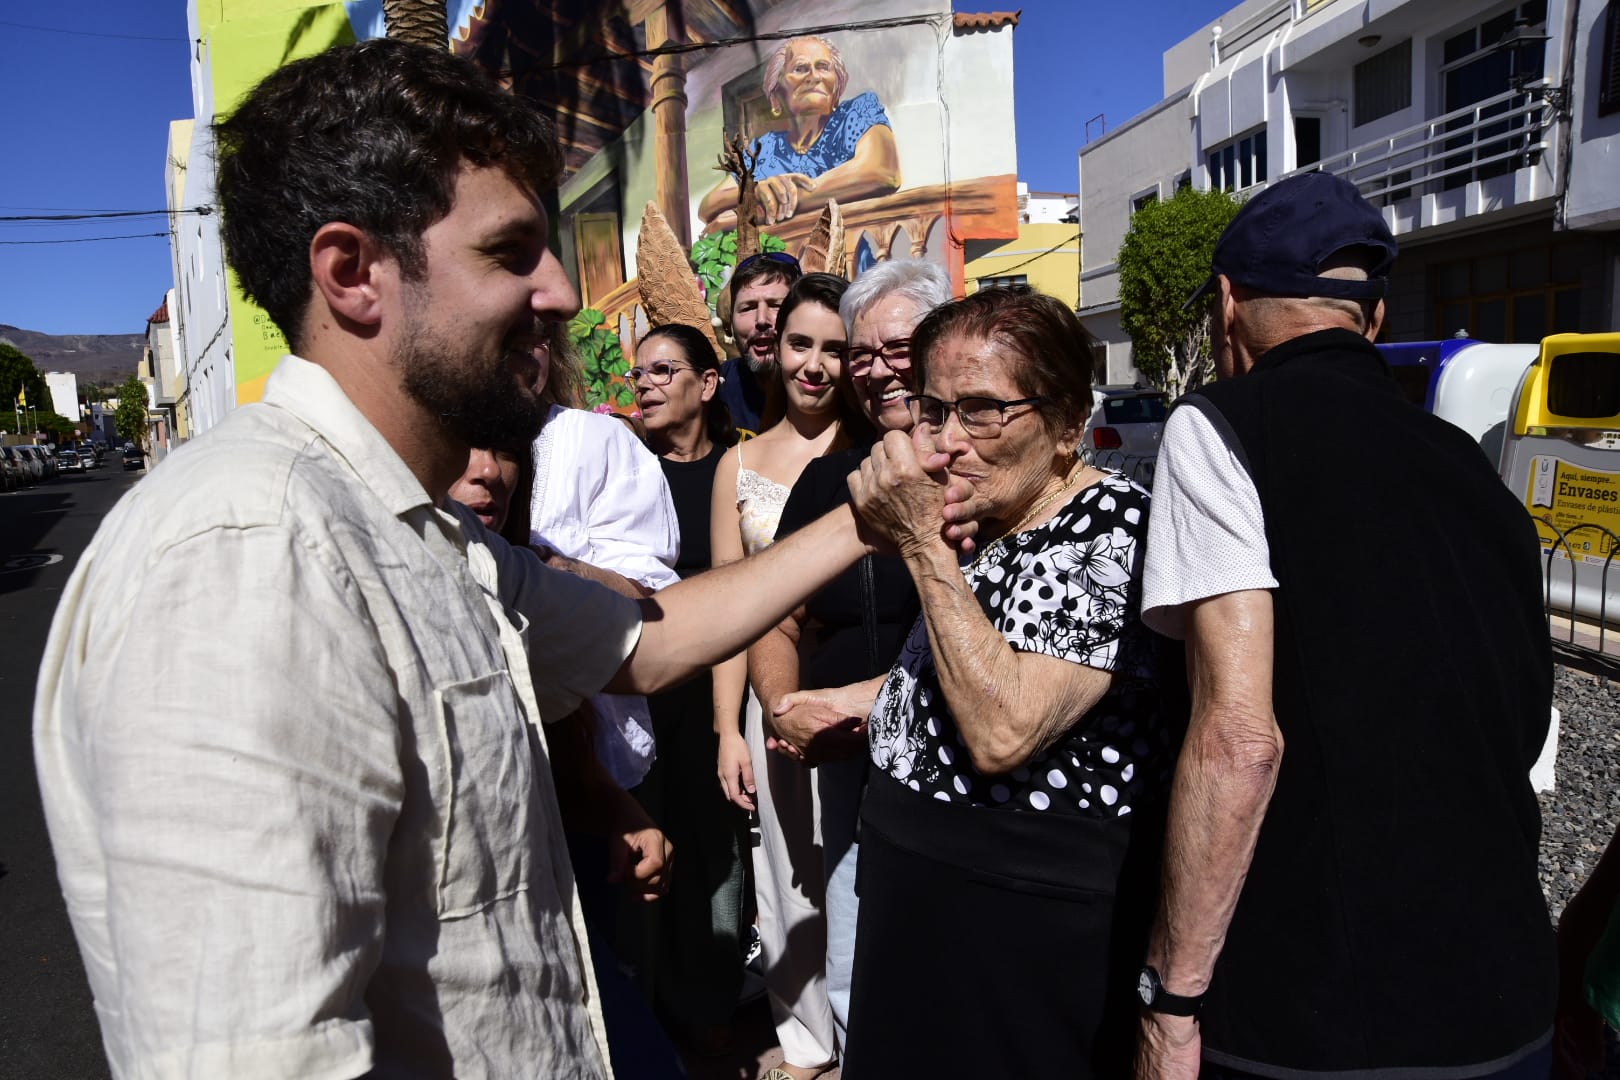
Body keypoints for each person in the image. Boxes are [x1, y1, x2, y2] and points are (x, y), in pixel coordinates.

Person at [32, 40, 979, 1079]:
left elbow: (651, 641)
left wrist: (868, 516)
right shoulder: (248, 558)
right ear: (354, 275)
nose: (565, 292)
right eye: (510, 251)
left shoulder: (417, 533)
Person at [1134, 171, 1555, 1080]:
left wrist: (1172, 1003)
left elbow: (1238, 741)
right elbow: (1522, 723)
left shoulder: (1220, 430)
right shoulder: (1472, 468)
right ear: (1373, 317)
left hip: (1310, 1019)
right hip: (1506, 1000)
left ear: (1228, 304)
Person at [805, 285, 1176, 1078]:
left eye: (981, 412)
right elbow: (972, 665)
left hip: (1016, 923)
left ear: (1070, 422)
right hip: (923, 892)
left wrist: (920, 546)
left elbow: (1005, 728)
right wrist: (858, 702)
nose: (945, 442)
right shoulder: (993, 521)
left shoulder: (1108, 530)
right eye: (932, 410)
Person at [752, 258, 951, 1055]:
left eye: (894, 348)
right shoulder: (829, 479)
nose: (873, 371)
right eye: (858, 354)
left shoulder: (975, 467)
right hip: (842, 760)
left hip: (947, 757)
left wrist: (866, 702)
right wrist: (780, 705)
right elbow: (777, 616)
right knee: (852, 936)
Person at [711, 272, 869, 1080]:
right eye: (800, 344)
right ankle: (808, 1038)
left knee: (856, 865)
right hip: (768, 707)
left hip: (865, 697)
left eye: (834, 348)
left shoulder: (874, 453)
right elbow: (727, 613)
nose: (814, 364)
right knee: (786, 871)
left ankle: (865, 1029)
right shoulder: (738, 466)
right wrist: (726, 733)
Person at [629, 322, 751, 1052]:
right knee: (646, 855)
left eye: (663, 370)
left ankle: (706, 1013)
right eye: (639, 372)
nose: (644, 382)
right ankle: (644, 1020)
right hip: (637, 700)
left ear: (708, 384)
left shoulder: (738, 470)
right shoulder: (622, 467)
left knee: (714, 856)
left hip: (716, 698)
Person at [525, 336, 681, 791]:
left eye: (529, 335)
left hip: (596, 755)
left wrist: (563, 570)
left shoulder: (593, 439)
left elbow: (652, 597)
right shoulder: (432, 439)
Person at [698, 35, 900, 230]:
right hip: (778, 262)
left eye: (823, 67)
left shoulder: (856, 113)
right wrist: (754, 191)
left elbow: (881, 172)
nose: (814, 76)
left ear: (836, 88)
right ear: (776, 96)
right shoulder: (764, 148)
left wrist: (770, 206)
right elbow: (708, 206)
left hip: (847, 257)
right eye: (800, 68)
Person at [718, 250, 802, 437]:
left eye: (775, 305)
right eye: (748, 308)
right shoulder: (716, 390)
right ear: (730, 321)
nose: (761, 319)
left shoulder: (825, 384)